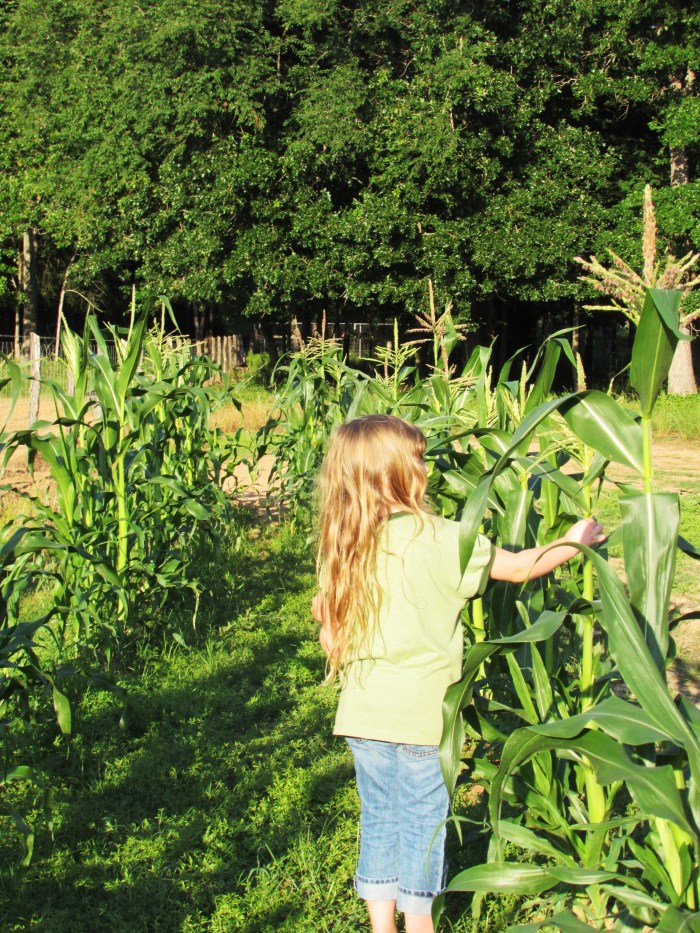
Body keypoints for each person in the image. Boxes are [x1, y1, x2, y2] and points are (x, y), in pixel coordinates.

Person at [312, 414, 605, 933]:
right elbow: (519, 567)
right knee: (423, 826)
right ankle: (421, 924)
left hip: (363, 717)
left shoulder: (347, 547)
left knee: (379, 819)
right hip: (426, 719)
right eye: (419, 459)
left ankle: (382, 927)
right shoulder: (447, 538)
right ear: (402, 474)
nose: (426, 467)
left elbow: (331, 635)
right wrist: (573, 538)